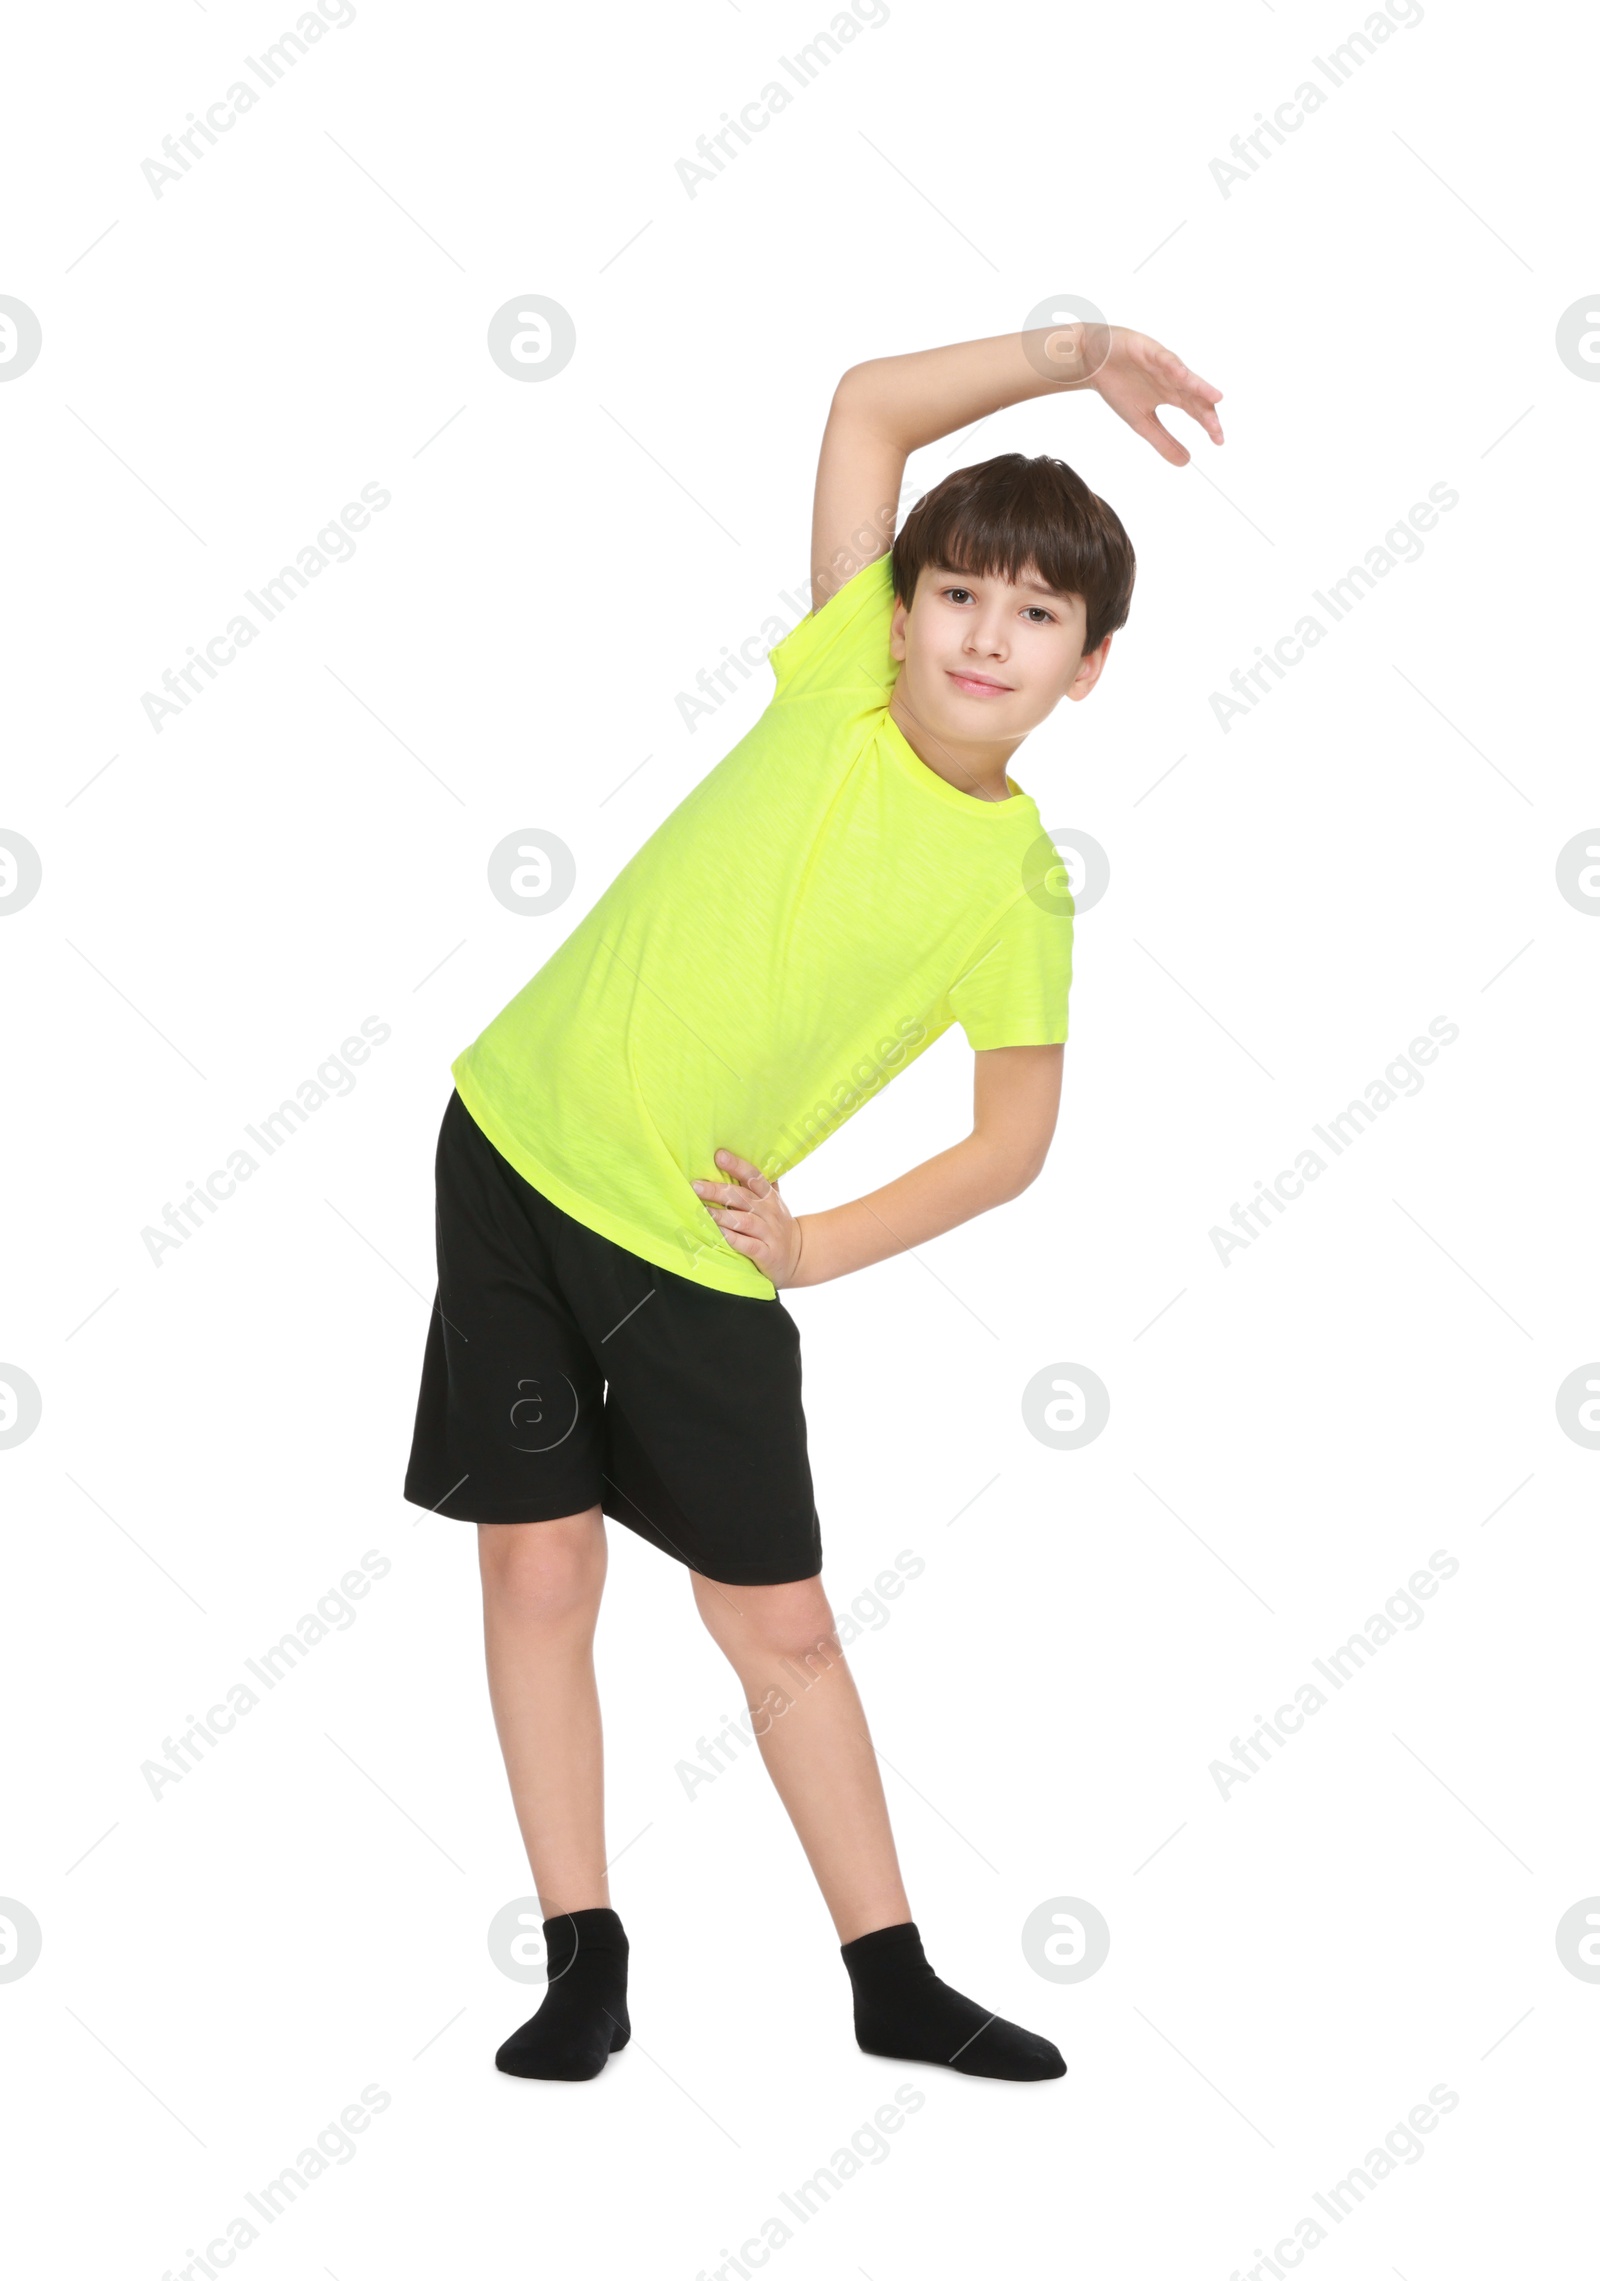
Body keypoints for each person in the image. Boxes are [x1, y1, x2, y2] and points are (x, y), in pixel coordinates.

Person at [403, 317, 1224, 2082]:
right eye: (961, 595)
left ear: (1088, 670)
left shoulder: (1016, 891)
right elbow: (867, 407)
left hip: (696, 1255)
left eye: (1037, 618)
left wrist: (813, 1246)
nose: (986, 635)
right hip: (517, 1151)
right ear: (905, 603)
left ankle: (891, 1977)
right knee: (536, 1569)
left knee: (775, 1617)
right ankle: (583, 1958)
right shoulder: (843, 668)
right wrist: (1075, 354)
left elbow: (1014, 1144)